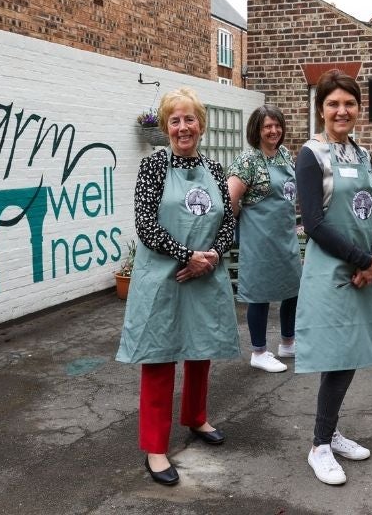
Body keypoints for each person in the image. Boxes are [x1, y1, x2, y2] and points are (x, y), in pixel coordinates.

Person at [115, 87, 240, 486]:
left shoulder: (216, 170)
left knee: (201, 348)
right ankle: (155, 447)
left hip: (203, 273)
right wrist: (187, 255)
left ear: (200, 125)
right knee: (160, 355)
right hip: (165, 277)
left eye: (189, 119)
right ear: (166, 127)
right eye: (175, 120)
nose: (182, 127)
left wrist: (213, 257)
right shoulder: (153, 167)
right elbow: (146, 225)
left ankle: (196, 417)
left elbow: (229, 222)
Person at [295, 69, 372, 485]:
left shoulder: (364, 154)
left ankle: (330, 431)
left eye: (349, 103)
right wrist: (359, 259)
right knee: (336, 356)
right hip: (332, 270)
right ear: (321, 109)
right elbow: (314, 222)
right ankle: (319, 446)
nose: (341, 110)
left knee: (349, 354)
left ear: (358, 109)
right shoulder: (310, 154)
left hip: (363, 268)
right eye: (333, 103)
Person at [227, 105, 301, 373]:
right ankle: (258, 351)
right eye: (267, 126)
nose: (273, 131)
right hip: (259, 241)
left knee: (292, 290)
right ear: (256, 130)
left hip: (285, 237)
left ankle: (288, 343)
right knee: (259, 295)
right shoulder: (248, 161)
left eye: (277, 125)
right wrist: (243, 228)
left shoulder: (284, 154)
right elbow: (230, 201)